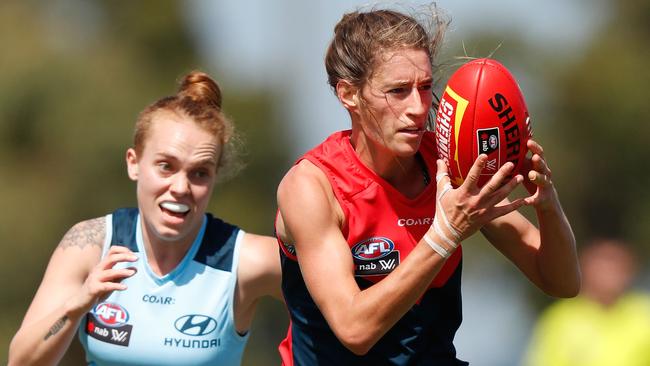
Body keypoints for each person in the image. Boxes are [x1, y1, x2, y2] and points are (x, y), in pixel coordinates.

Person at [274, 5, 581, 365]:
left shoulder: (450, 164)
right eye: (398, 91)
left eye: (424, 87)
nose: (418, 108)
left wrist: (547, 202)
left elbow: (561, 281)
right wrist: (445, 233)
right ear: (348, 95)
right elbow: (354, 329)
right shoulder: (313, 186)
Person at [8, 71, 282, 365]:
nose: (180, 188)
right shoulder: (89, 244)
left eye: (200, 173)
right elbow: (21, 362)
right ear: (134, 163)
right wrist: (78, 304)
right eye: (166, 166)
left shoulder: (248, 260)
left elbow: (333, 320)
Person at [523, 238, 650, 366]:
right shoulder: (560, 319)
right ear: (585, 269)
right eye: (603, 268)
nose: (610, 276)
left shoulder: (644, 312)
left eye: (616, 267)